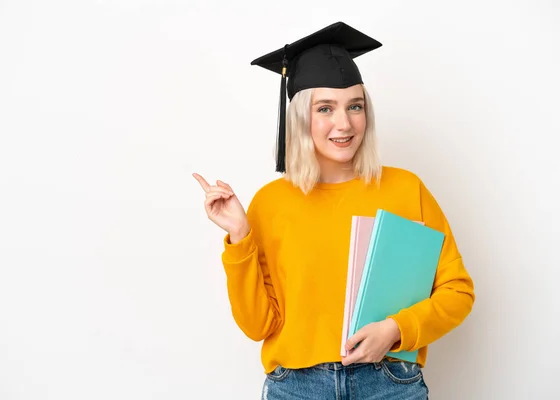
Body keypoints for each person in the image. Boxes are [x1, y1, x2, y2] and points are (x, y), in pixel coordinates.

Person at [193, 21, 475, 400]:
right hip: (296, 388)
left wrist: (395, 328)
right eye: (325, 108)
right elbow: (258, 325)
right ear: (299, 118)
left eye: (355, 106)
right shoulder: (271, 203)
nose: (344, 124)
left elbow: (457, 291)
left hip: (389, 384)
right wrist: (241, 236)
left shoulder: (405, 189)